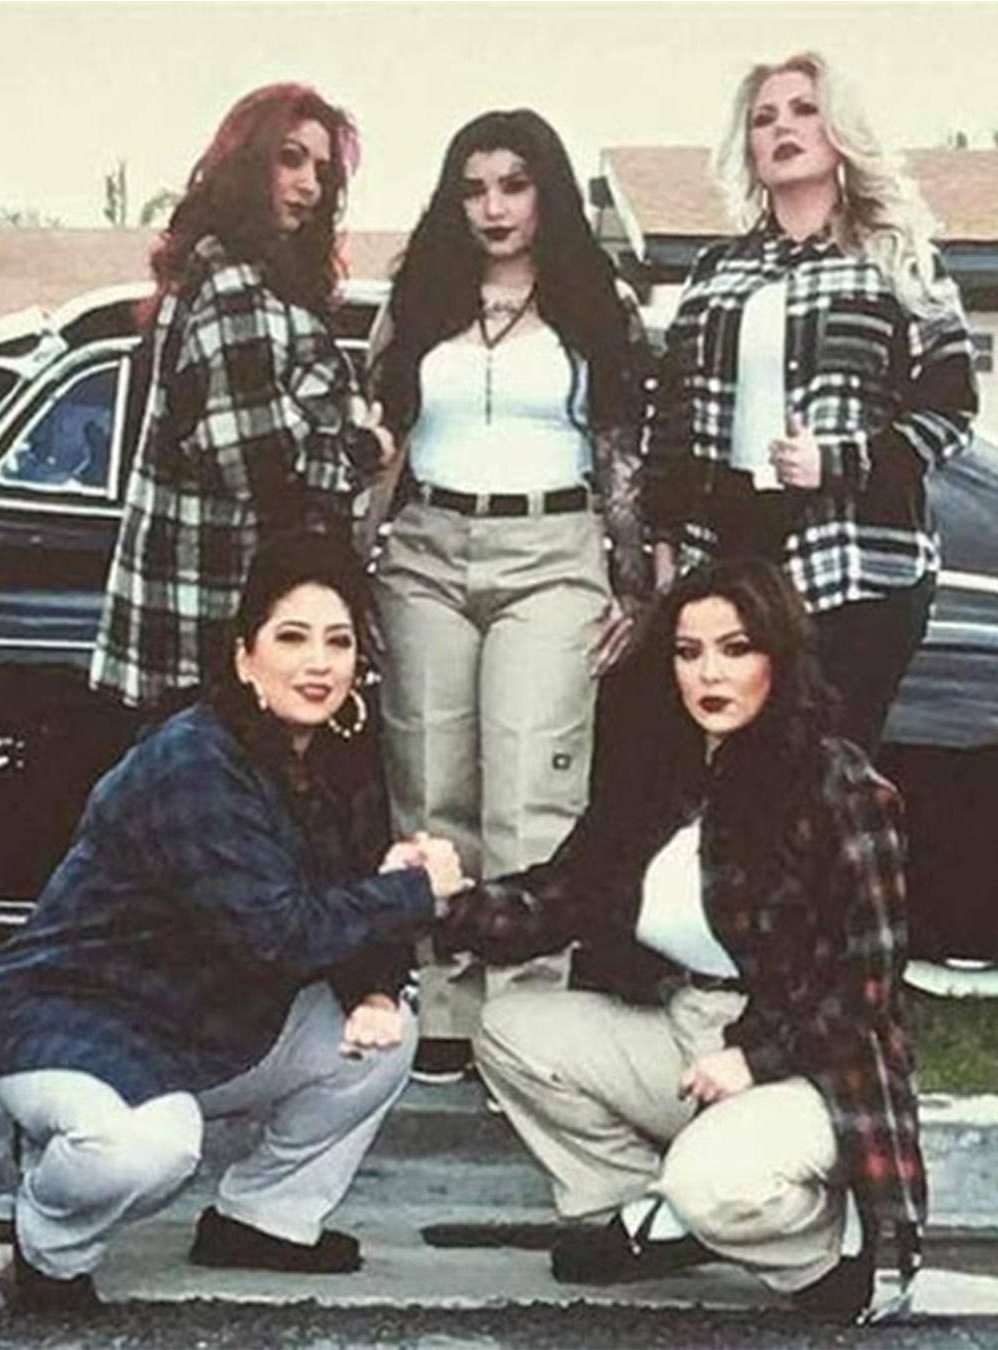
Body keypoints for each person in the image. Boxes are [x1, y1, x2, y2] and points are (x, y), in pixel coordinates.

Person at [0, 534, 465, 1312]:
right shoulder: (195, 760)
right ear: (243, 657)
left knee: (383, 1031)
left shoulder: (330, 754)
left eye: (338, 642)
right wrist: (413, 892)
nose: (319, 664)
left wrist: (375, 976)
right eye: (291, 638)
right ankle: (43, 1248)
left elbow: (345, 898)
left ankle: (263, 1220)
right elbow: (281, 932)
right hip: (72, 1017)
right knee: (149, 1146)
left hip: (202, 1020)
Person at [440, 557, 925, 1323]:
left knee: (712, 1183)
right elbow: (561, 897)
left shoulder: (840, 786)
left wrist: (756, 1057)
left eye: (736, 649)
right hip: (690, 1030)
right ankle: (649, 1216)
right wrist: (439, 902)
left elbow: (866, 985)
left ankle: (824, 1259)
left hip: (815, 1063)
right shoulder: (660, 777)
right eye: (688, 652)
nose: (710, 673)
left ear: (780, 658)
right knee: (511, 1028)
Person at [363, 109, 653, 1078]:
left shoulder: (595, 299)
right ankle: (445, 1008)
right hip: (426, 552)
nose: (493, 207)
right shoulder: (418, 297)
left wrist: (632, 583)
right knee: (429, 783)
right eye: (474, 188)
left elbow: (619, 448)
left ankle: (523, 1024)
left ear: (547, 193)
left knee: (533, 787)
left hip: (552, 551)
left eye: (513, 185)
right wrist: (353, 571)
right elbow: (383, 447)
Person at [647, 51, 977, 753]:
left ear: (841, 132)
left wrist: (837, 460)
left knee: (829, 769)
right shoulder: (716, 271)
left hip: (857, 560)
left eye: (804, 110)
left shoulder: (899, 258)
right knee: (728, 771)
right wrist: (664, 541)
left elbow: (949, 410)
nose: (782, 128)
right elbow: (672, 416)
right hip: (729, 550)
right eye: (763, 118)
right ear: (748, 147)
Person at [90, 83, 394, 711]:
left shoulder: (248, 278)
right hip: (218, 602)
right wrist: (365, 447)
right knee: (214, 767)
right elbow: (260, 464)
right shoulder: (233, 283)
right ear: (246, 163)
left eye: (322, 170)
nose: (309, 185)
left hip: (220, 599)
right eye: (290, 159)